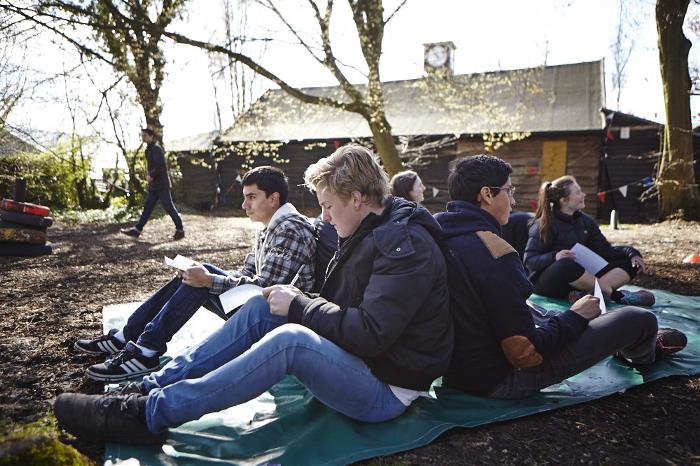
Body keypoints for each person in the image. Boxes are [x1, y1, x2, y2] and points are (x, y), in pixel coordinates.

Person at [54, 144, 453, 445]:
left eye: (328, 206)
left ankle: (145, 414)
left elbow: (370, 333)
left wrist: (299, 304)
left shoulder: (404, 246)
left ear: (357, 197)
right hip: (365, 359)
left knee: (290, 341)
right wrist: (291, 299)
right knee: (266, 305)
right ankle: (151, 384)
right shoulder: (364, 226)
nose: (325, 218)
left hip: (386, 386)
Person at [435, 155, 686, 399]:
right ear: (487, 194)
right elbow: (524, 352)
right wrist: (576, 316)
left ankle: (611, 327)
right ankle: (642, 351)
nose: (513, 201)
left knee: (548, 313)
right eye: (509, 191)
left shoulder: (436, 237)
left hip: (456, 372)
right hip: (501, 379)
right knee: (639, 319)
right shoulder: (497, 253)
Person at [74, 166, 317, 381]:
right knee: (194, 273)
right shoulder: (269, 227)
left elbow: (265, 288)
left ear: (273, 199)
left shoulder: (291, 229)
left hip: (277, 318)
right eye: (245, 198)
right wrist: (203, 277)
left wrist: (209, 280)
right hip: (258, 306)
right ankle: (127, 336)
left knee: (203, 276)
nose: (244, 206)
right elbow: (247, 274)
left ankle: (146, 351)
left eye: (251, 198)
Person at [523, 175, 654, 306]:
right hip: (551, 283)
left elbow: (605, 250)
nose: (583, 195)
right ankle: (615, 295)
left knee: (629, 263)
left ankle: (588, 295)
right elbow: (530, 261)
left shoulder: (587, 221)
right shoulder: (543, 224)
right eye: (578, 192)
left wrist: (631, 253)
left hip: (582, 280)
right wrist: (554, 256)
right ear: (564, 200)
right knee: (565, 264)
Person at [121, 128, 185, 241]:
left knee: (169, 208)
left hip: (162, 185)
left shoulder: (156, 148)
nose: (143, 137)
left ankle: (180, 230)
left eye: (145, 135)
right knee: (147, 208)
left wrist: (152, 175)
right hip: (154, 186)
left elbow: (161, 165)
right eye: (142, 135)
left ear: (151, 136)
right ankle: (137, 230)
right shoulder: (149, 149)